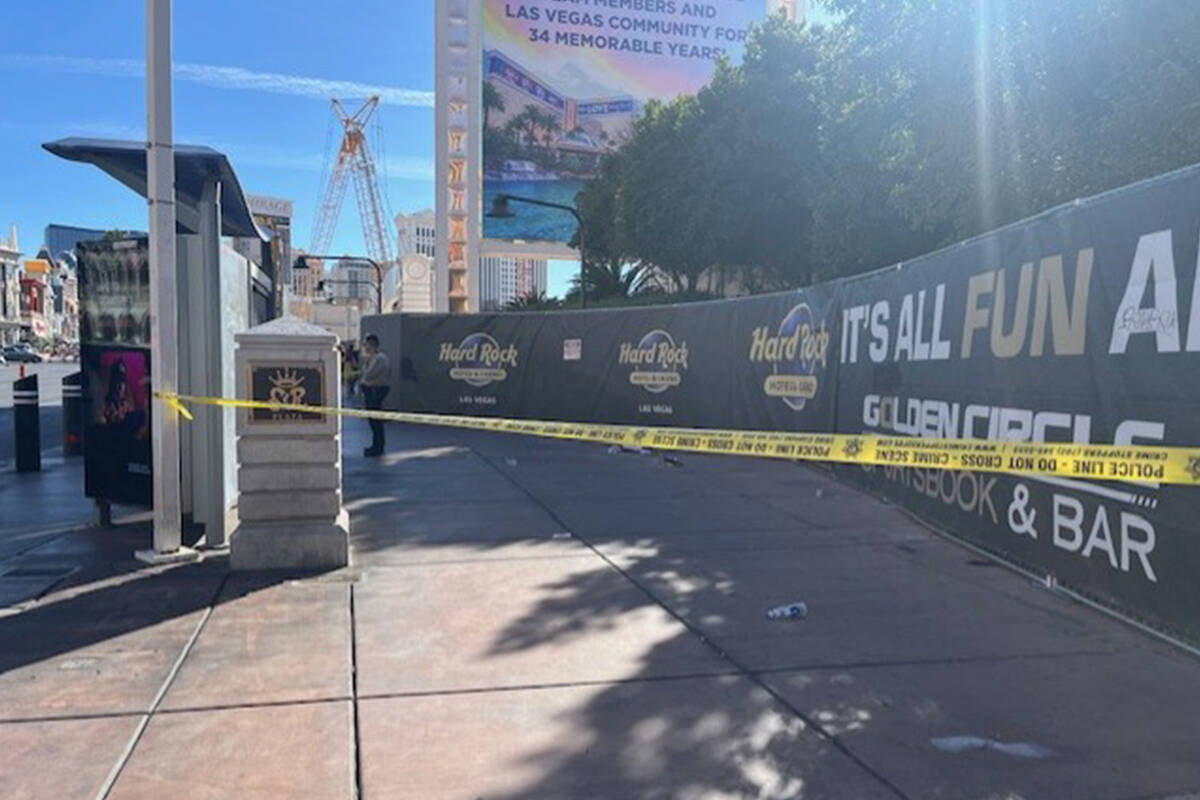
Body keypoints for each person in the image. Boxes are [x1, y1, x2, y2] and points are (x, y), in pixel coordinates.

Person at [359, 334, 390, 456]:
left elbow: (368, 375)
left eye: (366, 345)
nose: (365, 347)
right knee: (373, 421)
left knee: (376, 421)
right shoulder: (372, 359)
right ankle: (376, 445)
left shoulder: (379, 359)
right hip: (371, 390)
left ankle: (378, 446)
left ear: (372, 345)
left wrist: (366, 366)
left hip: (376, 391)